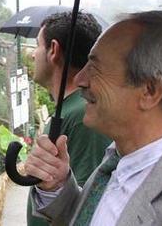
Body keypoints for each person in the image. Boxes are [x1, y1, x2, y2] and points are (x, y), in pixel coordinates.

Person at [26, 11, 162, 225]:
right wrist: (57, 186)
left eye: (95, 67)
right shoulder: (123, 156)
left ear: (150, 91)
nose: (82, 79)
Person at [27, 12, 111, 226]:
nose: (32, 55)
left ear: (53, 50)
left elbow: (86, 206)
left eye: (38, 45)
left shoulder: (84, 115)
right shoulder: (69, 111)